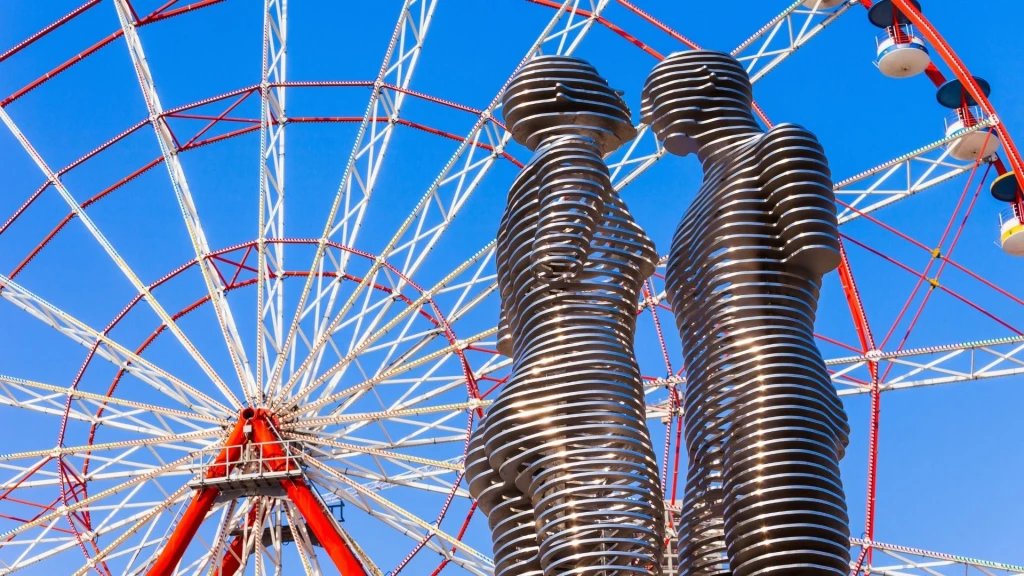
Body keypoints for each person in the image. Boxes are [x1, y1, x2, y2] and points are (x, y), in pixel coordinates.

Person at [641, 50, 851, 576]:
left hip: (774, 387)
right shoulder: (689, 214)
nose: (648, 111)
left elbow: (816, 253)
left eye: (659, 92)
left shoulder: (780, 147)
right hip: (709, 418)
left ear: (709, 82)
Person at [467, 54, 664, 575]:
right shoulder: (576, 157)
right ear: (561, 96)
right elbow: (559, 253)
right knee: (630, 556)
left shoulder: (517, 196)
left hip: (509, 415)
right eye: (603, 83)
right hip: (580, 397)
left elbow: (510, 330)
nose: (621, 96)